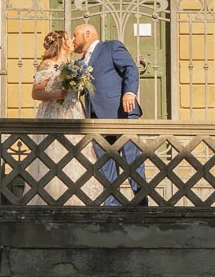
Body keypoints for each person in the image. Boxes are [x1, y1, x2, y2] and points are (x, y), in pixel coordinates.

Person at [71, 23, 147, 206]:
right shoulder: (79, 63)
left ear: (88, 34)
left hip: (122, 113)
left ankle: (141, 208)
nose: (73, 40)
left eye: (75, 35)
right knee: (106, 164)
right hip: (96, 118)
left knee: (132, 162)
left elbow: (130, 68)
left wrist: (130, 92)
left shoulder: (111, 46)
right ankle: (113, 208)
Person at [26, 29, 100, 204]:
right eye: (69, 39)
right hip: (54, 113)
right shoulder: (48, 65)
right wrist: (57, 94)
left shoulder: (73, 64)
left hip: (73, 113)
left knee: (76, 154)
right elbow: (36, 93)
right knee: (54, 154)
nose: (73, 41)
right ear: (61, 43)